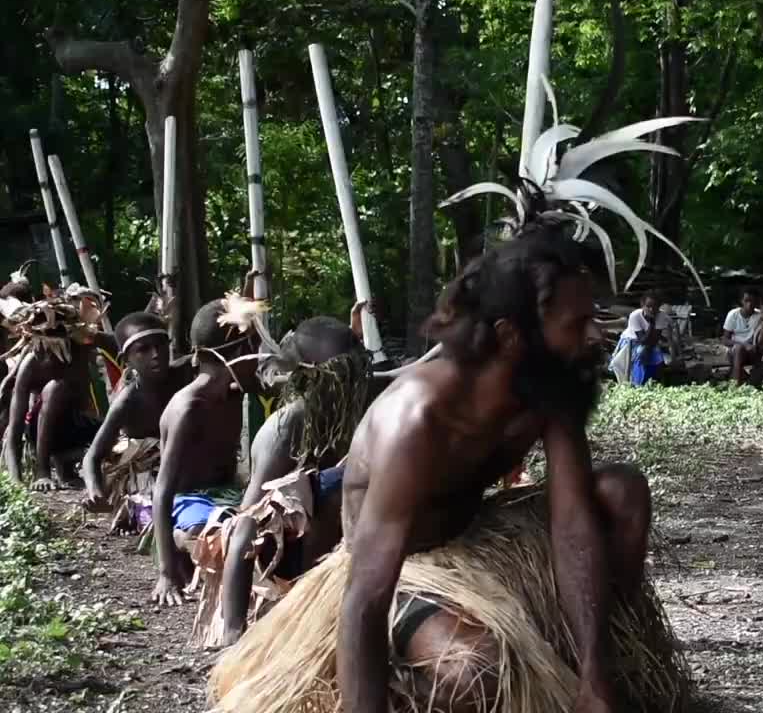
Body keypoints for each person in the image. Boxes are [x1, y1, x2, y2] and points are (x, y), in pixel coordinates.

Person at [208, 225, 690, 713]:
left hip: (480, 534)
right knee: (475, 672)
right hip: (403, 572)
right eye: (576, 322)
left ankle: (612, 663)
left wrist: (594, 674)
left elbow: (571, 522)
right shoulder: (418, 420)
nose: (595, 335)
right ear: (510, 337)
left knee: (622, 490)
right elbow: (366, 594)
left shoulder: (550, 386)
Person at [196, 310, 371, 648]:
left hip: (339, 554)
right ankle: (302, 603)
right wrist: (234, 625)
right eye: (341, 377)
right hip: (283, 561)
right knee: (339, 482)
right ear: (313, 378)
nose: (353, 386)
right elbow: (246, 522)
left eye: (356, 373)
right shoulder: (286, 426)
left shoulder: (351, 414)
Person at [150, 296, 263, 607]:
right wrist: (166, 571)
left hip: (229, 496)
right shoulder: (188, 408)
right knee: (216, 535)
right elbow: (163, 490)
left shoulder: (233, 393)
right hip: (187, 502)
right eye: (255, 347)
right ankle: (175, 540)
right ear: (239, 354)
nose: (259, 356)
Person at [2, 286, 113, 490]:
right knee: (55, 389)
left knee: (116, 448)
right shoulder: (32, 364)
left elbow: (123, 343)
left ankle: (65, 463)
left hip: (78, 426)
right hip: (40, 434)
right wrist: (16, 483)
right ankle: (44, 468)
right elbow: (16, 429)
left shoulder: (81, 345)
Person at [80, 312, 192, 511]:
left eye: (160, 344)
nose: (156, 354)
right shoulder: (127, 401)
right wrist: (94, 491)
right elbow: (93, 456)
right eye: (144, 349)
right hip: (149, 473)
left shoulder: (188, 372)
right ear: (126, 360)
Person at [609, 291, 671, 386]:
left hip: (650, 342)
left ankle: (654, 381)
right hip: (630, 342)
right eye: (648, 306)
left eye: (655, 307)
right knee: (640, 353)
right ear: (642, 305)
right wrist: (652, 324)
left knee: (656, 356)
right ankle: (636, 383)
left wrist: (652, 323)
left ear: (659, 306)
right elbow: (642, 340)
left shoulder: (662, 316)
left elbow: (654, 339)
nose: (651, 309)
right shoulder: (635, 316)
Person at [722, 289, 763, 385]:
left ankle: (754, 368)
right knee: (738, 348)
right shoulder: (733, 314)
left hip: (752, 351)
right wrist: (744, 345)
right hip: (734, 351)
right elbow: (725, 340)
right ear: (742, 301)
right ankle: (735, 384)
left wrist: (762, 305)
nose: (749, 304)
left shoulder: (758, 315)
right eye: (747, 301)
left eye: (753, 301)